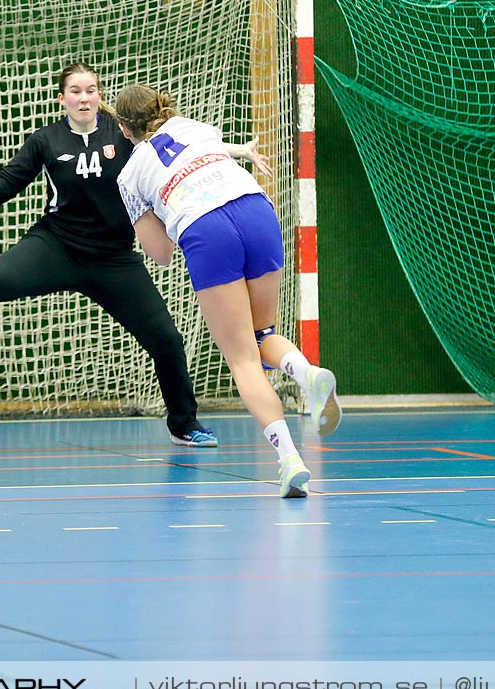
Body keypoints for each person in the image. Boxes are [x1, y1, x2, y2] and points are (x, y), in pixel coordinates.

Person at [0, 63, 217, 448]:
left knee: (166, 340)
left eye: (91, 89)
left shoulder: (122, 133)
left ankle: (184, 424)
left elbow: (176, 150)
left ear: (100, 96)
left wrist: (235, 150)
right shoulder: (46, 141)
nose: (84, 97)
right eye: (75, 91)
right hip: (57, 245)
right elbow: (3, 185)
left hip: (113, 257)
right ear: (62, 99)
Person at [112, 84, 339, 498]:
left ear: (124, 129)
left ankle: (290, 459)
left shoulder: (129, 175)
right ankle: (306, 374)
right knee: (262, 334)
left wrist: (156, 211)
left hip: (206, 228)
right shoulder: (197, 127)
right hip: (255, 209)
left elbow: (160, 253)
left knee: (242, 359)